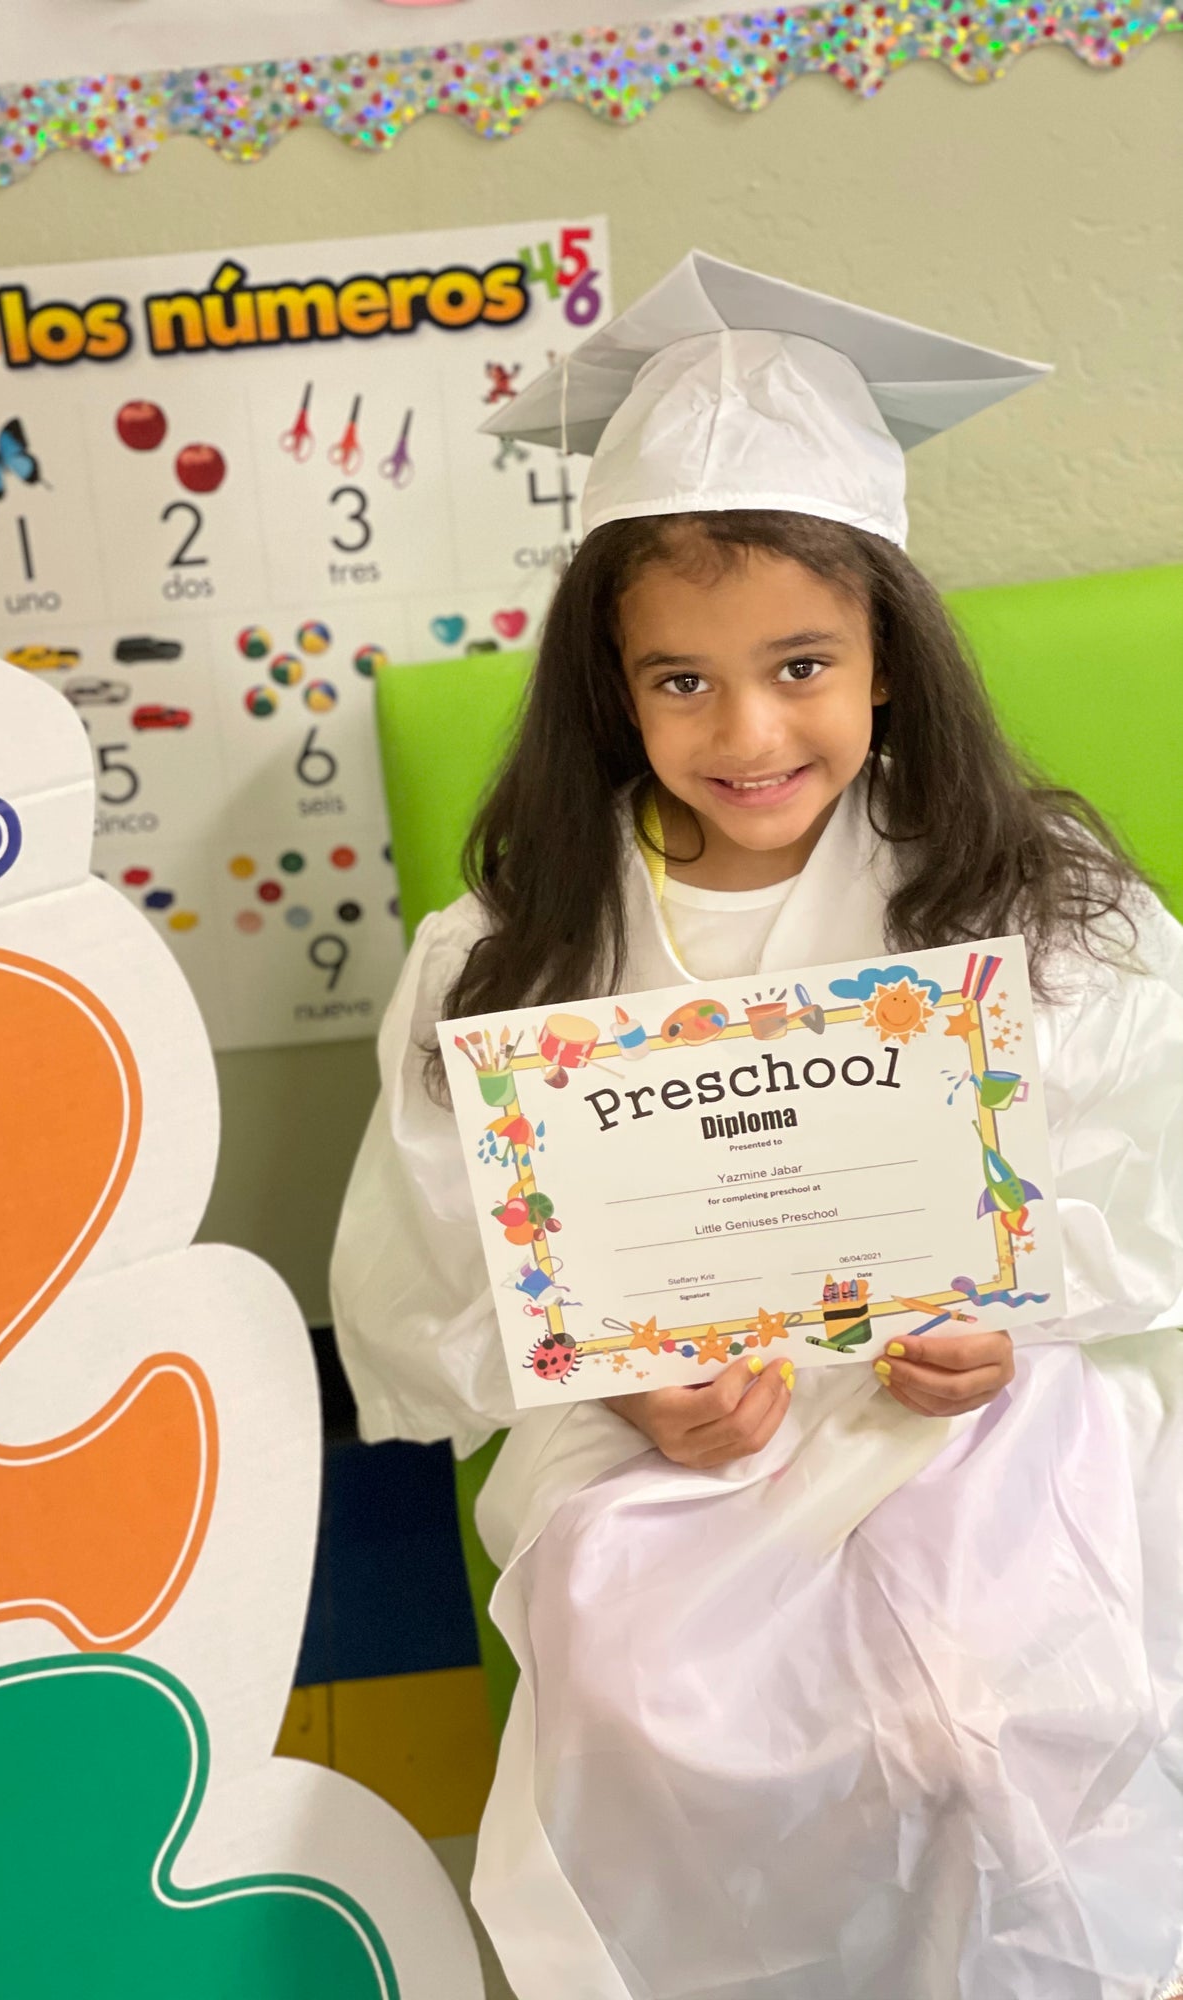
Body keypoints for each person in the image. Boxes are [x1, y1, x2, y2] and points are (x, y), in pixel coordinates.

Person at [331, 252, 1183, 1998]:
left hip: (967, 1406)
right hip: (670, 1444)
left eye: (801, 663)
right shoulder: (511, 952)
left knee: (1007, 1707)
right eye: (681, 681)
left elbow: (1144, 1170)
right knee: (670, 1714)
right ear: (612, 686)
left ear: (888, 660)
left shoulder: (1031, 899)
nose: (749, 730)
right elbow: (435, 1281)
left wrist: (1007, 1316)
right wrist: (619, 1380)